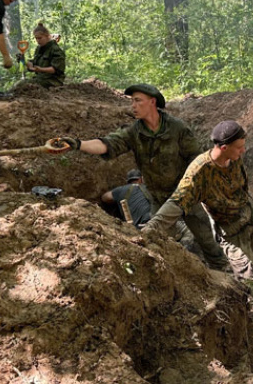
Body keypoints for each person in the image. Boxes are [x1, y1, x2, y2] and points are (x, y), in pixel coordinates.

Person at [59, 84, 228, 270]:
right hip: (159, 200)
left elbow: (196, 161)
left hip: (186, 196)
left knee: (208, 241)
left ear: (152, 102)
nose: (133, 106)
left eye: (138, 101)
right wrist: (77, 144)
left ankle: (225, 278)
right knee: (156, 244)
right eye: (132, 101)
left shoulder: (177, 129)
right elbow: (107, 144)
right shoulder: (134, 132)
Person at [142, 120, 253, 320]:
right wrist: (150, 229)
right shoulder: (199, 171)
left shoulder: (234, 157)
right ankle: (245, 334)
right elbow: (176, 202)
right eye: (239, 147)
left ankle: (252, 326)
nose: (243, 151)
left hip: (250, 222)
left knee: (252, 279)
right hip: (230, 234)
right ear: (223, 147)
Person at [26, 23, 65, 88]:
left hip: (53, 81)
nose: (38, 41)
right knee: (22, 84)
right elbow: (36, 63)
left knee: (24, 85)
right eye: (36, 38)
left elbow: (56, 69)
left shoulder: (55, 50)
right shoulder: (39, 49)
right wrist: (27, 63)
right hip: (40, 79)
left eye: (40, 38)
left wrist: (40, 69)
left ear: (47, 36)